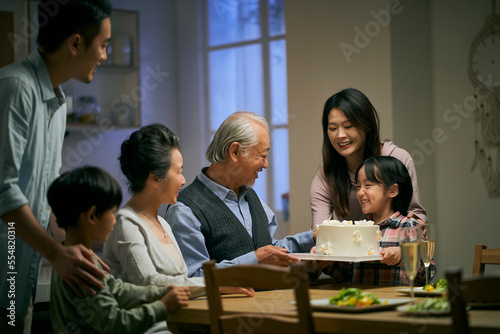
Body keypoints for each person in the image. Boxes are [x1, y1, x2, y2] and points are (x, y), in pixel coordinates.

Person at [0, 1, 112, 331]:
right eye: (103, 45)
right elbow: (4, 189)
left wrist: (73, 248)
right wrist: (57, 254)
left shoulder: (58, 101)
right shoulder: (15, 87)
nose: (104, 56)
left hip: (23, 256)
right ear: (75, 44)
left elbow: (48, 188)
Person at [103, 124, 254, 298]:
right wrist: (216, 284)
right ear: (155, 179)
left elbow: (183, 280)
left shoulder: (164, 224)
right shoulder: (125, 224)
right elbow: (149, 283)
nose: (183, 180)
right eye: (179, 171)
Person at [166, 111, 316, 278]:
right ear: (235, 152)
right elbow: (194, 278)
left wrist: (314, 238)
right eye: (262, 155)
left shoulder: (250, 196)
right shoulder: (185, 210)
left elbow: (271, 249)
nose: (265, 165)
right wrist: (255, 260)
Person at [47, 166, 191, 334]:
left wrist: (161, 291)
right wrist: (162, 307)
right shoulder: (81, 267)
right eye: (112, 212)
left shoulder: (73, 258)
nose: (115, 220)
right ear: (92, 216)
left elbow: (116, 289)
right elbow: (115, 323)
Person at [310, 88, 428, 229]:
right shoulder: (325, 178)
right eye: (333, 128)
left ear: (366, 126)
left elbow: (415, 214)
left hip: (397, 246)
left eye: (348, 126)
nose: (340, 135)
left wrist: (413, 227)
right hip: (353, 249)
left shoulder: (396, 158)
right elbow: (321, 232)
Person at [320, 156, 435, 286]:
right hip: (363, 303)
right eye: (358, 186)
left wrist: (403, 257)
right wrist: (327, 263)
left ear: (392, 190)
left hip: (398, 303)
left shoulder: (409, 226)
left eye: (368, 185)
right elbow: (346, 276)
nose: (360, 192)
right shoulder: (359, 230)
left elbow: (428, 271)